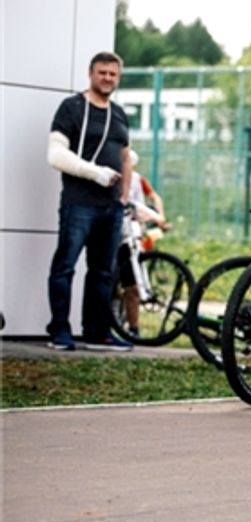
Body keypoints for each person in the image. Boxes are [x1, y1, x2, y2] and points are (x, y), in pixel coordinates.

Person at [46, 51, 134, 352]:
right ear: (91, 74)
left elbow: (126, 158)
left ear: (118, 78)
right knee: (65, 266)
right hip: (79, 202)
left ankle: (97, 332)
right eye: (102, 72)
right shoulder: (72, 108)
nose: (107, 78)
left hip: (111, 206)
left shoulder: (119, 113)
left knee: (103, 272)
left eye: (112, 74)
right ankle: (59, 330)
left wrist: (125, 197)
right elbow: (55, 155)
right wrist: (94, 173)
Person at [117, 151, 170, 338]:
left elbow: (149, 199)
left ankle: (134, 329)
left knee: (132, 285)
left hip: (130, 233)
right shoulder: (114, 177)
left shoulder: (138, 179)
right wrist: (157, 218)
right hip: (115, 233)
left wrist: (158, 217)